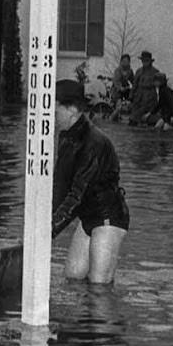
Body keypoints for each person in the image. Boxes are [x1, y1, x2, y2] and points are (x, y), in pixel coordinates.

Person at [52, 78, 130, 283]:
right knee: (73, 276)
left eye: (55, 108)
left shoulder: (94, 143)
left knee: (98, 284)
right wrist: (44, 223)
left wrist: (49, 230)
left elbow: (77, 194)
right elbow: (60, 188)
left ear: (72, 110)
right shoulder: (67, 137)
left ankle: (102, 314)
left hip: (108, 217)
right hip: (88, 216)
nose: (52, 114)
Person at [127, 50, 164, 125]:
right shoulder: (139, 71)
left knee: (150, 118)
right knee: (133, 119)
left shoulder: (155, 72)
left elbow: (160, 86)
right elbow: (134, 85)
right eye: (143, 61)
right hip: (139, 98)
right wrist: (131, 97)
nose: (145, 62)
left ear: (150, 61)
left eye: (147, 61)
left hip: (150, 98)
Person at [110, 53, 137, 118]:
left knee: (133, 100)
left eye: (127, 61)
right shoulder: (118, 70)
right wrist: (120, 87)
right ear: (121, 62)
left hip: (126, 90)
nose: (125, 63)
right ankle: (112, 117)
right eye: (124, 61)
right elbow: (116, 81)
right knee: (118, 106)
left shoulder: (130, 71)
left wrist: (135, 87)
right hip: (117, 91)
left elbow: (133, 80)